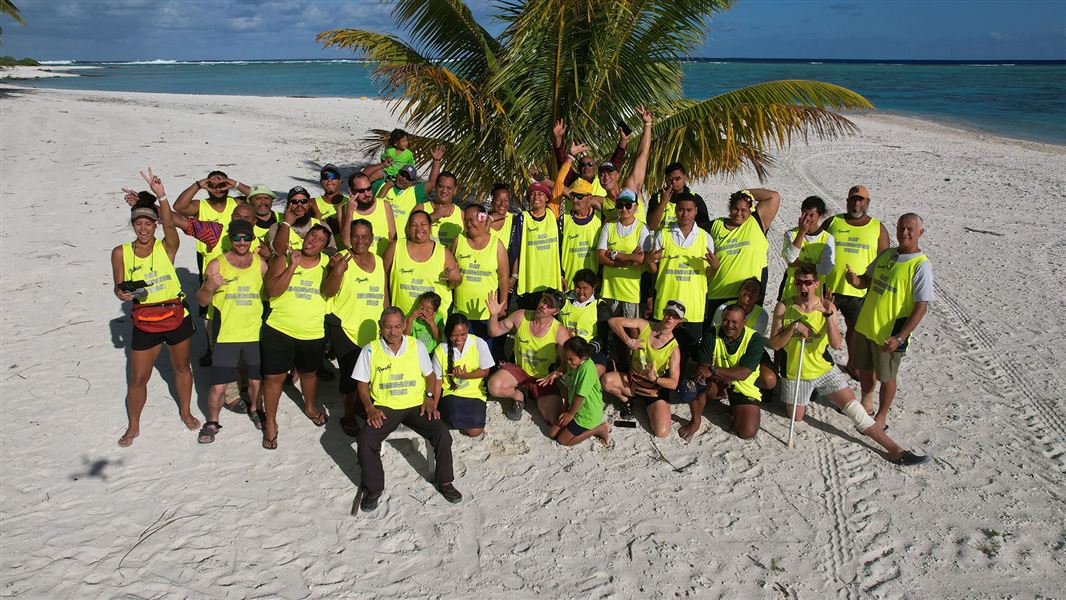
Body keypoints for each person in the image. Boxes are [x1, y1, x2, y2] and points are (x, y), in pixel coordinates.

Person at [769, 265, 929, 464]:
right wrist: (792, 327)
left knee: (856, 411)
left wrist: (828, 316)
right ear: (794, 284)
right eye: (800, 282)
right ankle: (809, 392)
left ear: (816, 284)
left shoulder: (827, 307)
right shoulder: (784, 307)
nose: (804, 286)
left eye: (808, 282)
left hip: (823, 368)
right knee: (798, 417)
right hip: (796, 370)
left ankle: (896, 450)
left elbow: (836, 345)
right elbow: (774, 343)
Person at [111, 169, 199, 447]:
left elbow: (173, 227)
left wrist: (162, 197)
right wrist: (122, 294)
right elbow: (118, 287)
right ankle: (133, 426)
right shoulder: (120, 252)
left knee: (182, 366)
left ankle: (185, 412)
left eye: (149, 223)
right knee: (138, 378)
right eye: (139, 224)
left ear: (156, 225)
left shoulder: (167, 246)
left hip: (175, 315)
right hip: (145, 319)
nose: (144, 228)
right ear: (133, 225)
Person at [354, 307, 461, 511]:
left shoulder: (416, 345)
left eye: (397, 326)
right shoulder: (370, 349)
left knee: (442, 434)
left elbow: (430, 377)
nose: (393, 332)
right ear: (380, 327)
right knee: (366, 439)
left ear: (404, 325)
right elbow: (361, 383)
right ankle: (373, 488)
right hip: (385, 406)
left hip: (415, 405)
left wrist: (429, 398)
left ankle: (445, 481)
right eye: (388, 327)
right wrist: (369, 408)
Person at [846, 213, 934, 429]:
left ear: (920, 233)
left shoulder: (920, 266)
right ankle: (867, 404)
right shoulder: (886, 254)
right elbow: (867, 280)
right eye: (901, 228)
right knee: (865, 369)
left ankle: (882, 415)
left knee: (887, 377)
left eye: (910, 229)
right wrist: (855, 280)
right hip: (867, 325)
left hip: (890, 333)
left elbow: (921, 307)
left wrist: (900, 336)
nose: (904, 232)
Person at [260, 224, 343, 449]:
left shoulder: (327, 264)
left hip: (312, 331)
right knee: (273, 377)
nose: (313, 241)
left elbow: (330, 292)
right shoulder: (286, 258)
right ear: (305, 236)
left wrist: (337, 270)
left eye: (320, 240)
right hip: (279, 328)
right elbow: (272, 291)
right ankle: (270, 421)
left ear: (325, 248)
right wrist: (292, 267)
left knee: (308, 373)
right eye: (312, 235)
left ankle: (310, 407)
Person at [194, 219, 269, 443]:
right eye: (237, 237)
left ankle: (255, 409)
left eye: (246, 237)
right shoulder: (216, 265)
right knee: (219, 385)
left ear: (252, 238)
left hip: (254, 334)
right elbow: (202, 300)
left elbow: (271, 293)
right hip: (226, 334)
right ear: (230, 238)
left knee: (255, 381)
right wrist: (209, 286)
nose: (242, 242)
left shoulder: (260, 264)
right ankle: (213, 421)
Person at [326, 219, 388, 437]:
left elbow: (384, 293)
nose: (360, 240)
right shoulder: (341, 259)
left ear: (371, 238)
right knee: (350, 375)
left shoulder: (379, 261)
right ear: (349, 237)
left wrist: (386, 319)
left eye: (365, 236)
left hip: (370, 327)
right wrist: (337, 271)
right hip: (345, 325)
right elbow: (329, 291)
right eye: (355, 236)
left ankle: (362, 407)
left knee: (368, 372)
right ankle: (349, 415)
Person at [822, 185, 890, 378]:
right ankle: (818, 360)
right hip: (830, 288)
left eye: (860, 200)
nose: (856, 203)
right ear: (847, 202)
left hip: (860, 290)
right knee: (821, 325)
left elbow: (883, 261)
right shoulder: (833, 222)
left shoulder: (878, 227)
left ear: (867, 202)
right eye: (853, 200)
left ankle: (853, 363)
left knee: (856, 330)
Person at [644, 192, 717, 355]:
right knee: (661, 351)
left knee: (687, 353)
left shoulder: (705, 238)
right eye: (681, 210)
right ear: (675, 210)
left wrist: (715, 267)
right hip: (666, 306)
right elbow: (655, 272)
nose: (685, 214)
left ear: (696, 211)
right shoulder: (663, 234)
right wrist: (649, 262)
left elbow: (708, 275)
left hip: (692, 309)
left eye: (689, 210)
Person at [683, 304, 769, 440]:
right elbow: (703, 366)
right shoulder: (712, 333)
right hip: (718, 381)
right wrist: (718, 377)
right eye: (726, 320)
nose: (729, 325)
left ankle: (734, 409)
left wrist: (714, 370)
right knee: (696, 380)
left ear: (744, 322)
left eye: (734, 322)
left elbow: (743, 373)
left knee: (747, 432)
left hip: (743, 386)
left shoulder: (754, 339)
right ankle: (695, 422)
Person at [486, 290, 570, 421]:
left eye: (550, 305)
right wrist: (493, 315)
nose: (544, 306)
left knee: (553, 418)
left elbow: (567, 363)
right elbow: (494, 331)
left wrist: (557, 373)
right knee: (494, 386)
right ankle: (518, 396)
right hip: (520, 370)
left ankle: (536, 395)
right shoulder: (521, 315)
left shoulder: (560, 331)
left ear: (556, 312)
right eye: (544, 300)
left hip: (543, 377)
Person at [600, 304, 683, 437]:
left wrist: (655, 379)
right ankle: (626, 400)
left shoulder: (674, 348)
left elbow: (674, 383)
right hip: (632, 382)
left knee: (661, 432)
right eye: (669, 313)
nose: (670, 318)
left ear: (680, 321)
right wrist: (628, 341)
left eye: (675, 316)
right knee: (606, 381)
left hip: (653, 391)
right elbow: (613, 321)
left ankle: (652, 407)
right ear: (663, 312)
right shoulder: (644, 325)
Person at [706, 188, 781, 316]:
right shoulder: (715, 225)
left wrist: (744, 193)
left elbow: (773, 197)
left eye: (744, 210)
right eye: (735, 208)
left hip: (748, 298)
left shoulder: (756, 222)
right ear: (730, 209)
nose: (738, 213)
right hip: (718, 293)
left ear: (750, 211)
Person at [383, 210, 461, 316]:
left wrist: (456, 279)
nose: (419, 228)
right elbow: (383, 282)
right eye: (414, 225)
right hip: (400, 321)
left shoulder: (443, 252)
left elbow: (454, 284)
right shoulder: (395, 248)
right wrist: (387, 310)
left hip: (433, 323)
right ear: (408, 228)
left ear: (430, 226)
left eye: (423, 224)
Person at [451, 203, 508, 343]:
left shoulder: (497, 245)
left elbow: (503, 277)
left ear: (483, 218)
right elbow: (451, 271)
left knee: (485, 358)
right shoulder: (458, 241)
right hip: (461, 313)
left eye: (472, 220)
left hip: (487, 314)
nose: (469, 224)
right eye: (466, 221)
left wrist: (503, 305)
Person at [709, 277, 777, 393]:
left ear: (759, 297)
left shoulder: (762, 315)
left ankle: (743, 383)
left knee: (769, 380)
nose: (749, 292)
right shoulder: (722, 308)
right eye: (747, 288)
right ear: (739, 291)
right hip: (723, 345)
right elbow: (714, 333)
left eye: (754, 291)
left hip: (749, 348)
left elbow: (753, 343)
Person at [537, 337, 610, 446]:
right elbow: (567, 384)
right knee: (552, 433)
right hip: (573, 407)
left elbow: (579, 395)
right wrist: (556, 373)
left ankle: (599, 429)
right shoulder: (573, 364)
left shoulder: (586, 369)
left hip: (586, 413)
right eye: (566, 359)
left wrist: (570, 414)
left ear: (583, 356)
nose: (568, 362)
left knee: (563, 440)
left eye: (571, 359)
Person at [433, 313, 496, 438]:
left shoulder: (479, 343)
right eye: (454, 335)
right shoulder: (441, 349)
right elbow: (438, 381)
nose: (459, 339)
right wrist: (434, 406)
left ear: (468, 329)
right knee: (453, 419)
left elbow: (485, 371)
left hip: (475, 393)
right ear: (448, 333)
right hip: (452, 393)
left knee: (475, 432)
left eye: (463, 334)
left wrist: (465, 375)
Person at [596, 188, 649, 321]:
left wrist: (613, 254)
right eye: (620, 205)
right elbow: (600, 257)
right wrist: (628, 260)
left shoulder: (642, 228)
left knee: (631, 332)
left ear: (636, 207)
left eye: (628, 205)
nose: (624, 209)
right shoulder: (608, 227)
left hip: (631, 291)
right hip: (610, 289)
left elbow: (642, 259)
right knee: (610, 330)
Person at [513, 181, 563, 310]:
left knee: (549, 324)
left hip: (551, 283)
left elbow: (559, 185)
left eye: (540, 194)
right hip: (530, 283)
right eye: (533, 194)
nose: (536, 198)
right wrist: (513, 276)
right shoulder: (523, 218)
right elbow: (515, 250)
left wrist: (569, 160)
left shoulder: (552, 214)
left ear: (547, 198)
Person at [779, 195, 835, 304]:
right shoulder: (791, 234)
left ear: (820, 216)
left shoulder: (827, 238)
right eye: (804, 214)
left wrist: (799, 264)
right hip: (791, 288)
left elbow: (827, 268)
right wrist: (801, 232)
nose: (807, 218)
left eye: (811, 215)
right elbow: (790, 259)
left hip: (815, 291)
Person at [375, 148, 443, 232]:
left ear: (412, 182)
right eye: (402, 175)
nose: (404, 179)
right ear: (397, 173)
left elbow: (432, 182)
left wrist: (436, 161)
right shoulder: (381, 185)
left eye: (408, 178)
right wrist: (382, 166)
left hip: (400, 242)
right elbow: (362, 177)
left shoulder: (414, 192)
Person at [558, 269, 611, 376]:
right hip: (562, 348)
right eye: (578, 287)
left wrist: (585, 353)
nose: (581, 292)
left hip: (589, 350)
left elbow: (603, 336)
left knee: (593, 370)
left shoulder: (600, 305)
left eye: (585, 288)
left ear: (594, 288)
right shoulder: (564, 299)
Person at [551, 118, 627, 190]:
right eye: (583, 165)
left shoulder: (603, 180)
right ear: (578, 168)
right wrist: (558, 137)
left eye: (590, 164)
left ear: (595, 167)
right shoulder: (572, 179)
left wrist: (624, 140)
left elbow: (617, 158)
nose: (586, 167)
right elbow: (561, 159)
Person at [267, 186, 337, 257]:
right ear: (288, 205)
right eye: (294, 202)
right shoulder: (276, 227)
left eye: (304, 201)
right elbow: (278, 252)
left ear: (309, 204)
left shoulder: (322, 225)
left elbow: (331, 250)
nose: (299, 205)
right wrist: (286, 224)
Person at [339, 170, 396, 256]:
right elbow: (347, 242)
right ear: (351, 191)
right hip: (359, 263)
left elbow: (393, 238)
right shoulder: (343, 209)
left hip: (382, 262)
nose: (367, 194)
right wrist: (350, 212)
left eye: (369, 188)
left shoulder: (384, 205)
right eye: (361, 191)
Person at [558, 180, 603, 288]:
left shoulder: (600, 219)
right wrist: (560, 276)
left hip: (592, 285)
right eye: (573, 195)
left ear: (590, 198)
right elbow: (556, 251)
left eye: (579, 196)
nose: (575, 200)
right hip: (568, 283)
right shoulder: (563, 220)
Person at [646, 163, 711, 232]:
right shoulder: (657, 198)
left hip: (687, 241)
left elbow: (704, 228)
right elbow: (651, 226)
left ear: (685, 177)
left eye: (677, 178)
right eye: (670, 179)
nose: (673, 182)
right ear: (665, 179)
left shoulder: (695, 199)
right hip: (661, 241)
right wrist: (662, 203)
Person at [414, 158, 463, 250]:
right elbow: (409, 233)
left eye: (449, 188)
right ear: (435, 187)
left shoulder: (461, 215)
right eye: (441, 186)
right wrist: (432, 216)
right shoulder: (421, 208)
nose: (444, 191)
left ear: (455, 190)